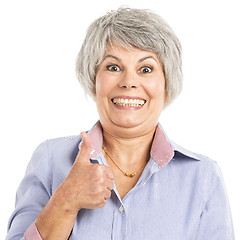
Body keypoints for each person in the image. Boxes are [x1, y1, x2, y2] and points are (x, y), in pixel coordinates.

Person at [6, 7, 234, 240]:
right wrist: (65, 201)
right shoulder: (50, 159)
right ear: (93, 79)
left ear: (167, 84)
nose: (129, 82)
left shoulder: (203, 176)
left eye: (146, 69)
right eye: (113, 67)